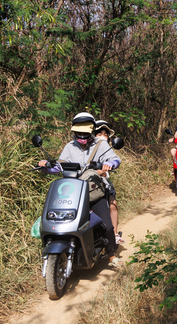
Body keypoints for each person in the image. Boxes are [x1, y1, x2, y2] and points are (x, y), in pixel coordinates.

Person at [38, 112, 122, 267]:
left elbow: (115, 159)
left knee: (108, 225)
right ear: (74, 132)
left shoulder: (100, 144)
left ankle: (111, 255)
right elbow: (59, 166)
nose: (82, 136)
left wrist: (110, 164)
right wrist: (45, 166)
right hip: (73, 192)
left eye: (85, 133)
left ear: (91, 131)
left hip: (94, 192)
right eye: (78, 133)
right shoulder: (70, 147)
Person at [94, 119, 123, 245]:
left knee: (112, 203)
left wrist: (107, 166)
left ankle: (114, 234)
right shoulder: (84, 148)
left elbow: (113, 161)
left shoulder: (107, 150)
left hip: (102, 182)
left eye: (105, 135)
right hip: (82, 183)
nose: (102, 137)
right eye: (99, 134)